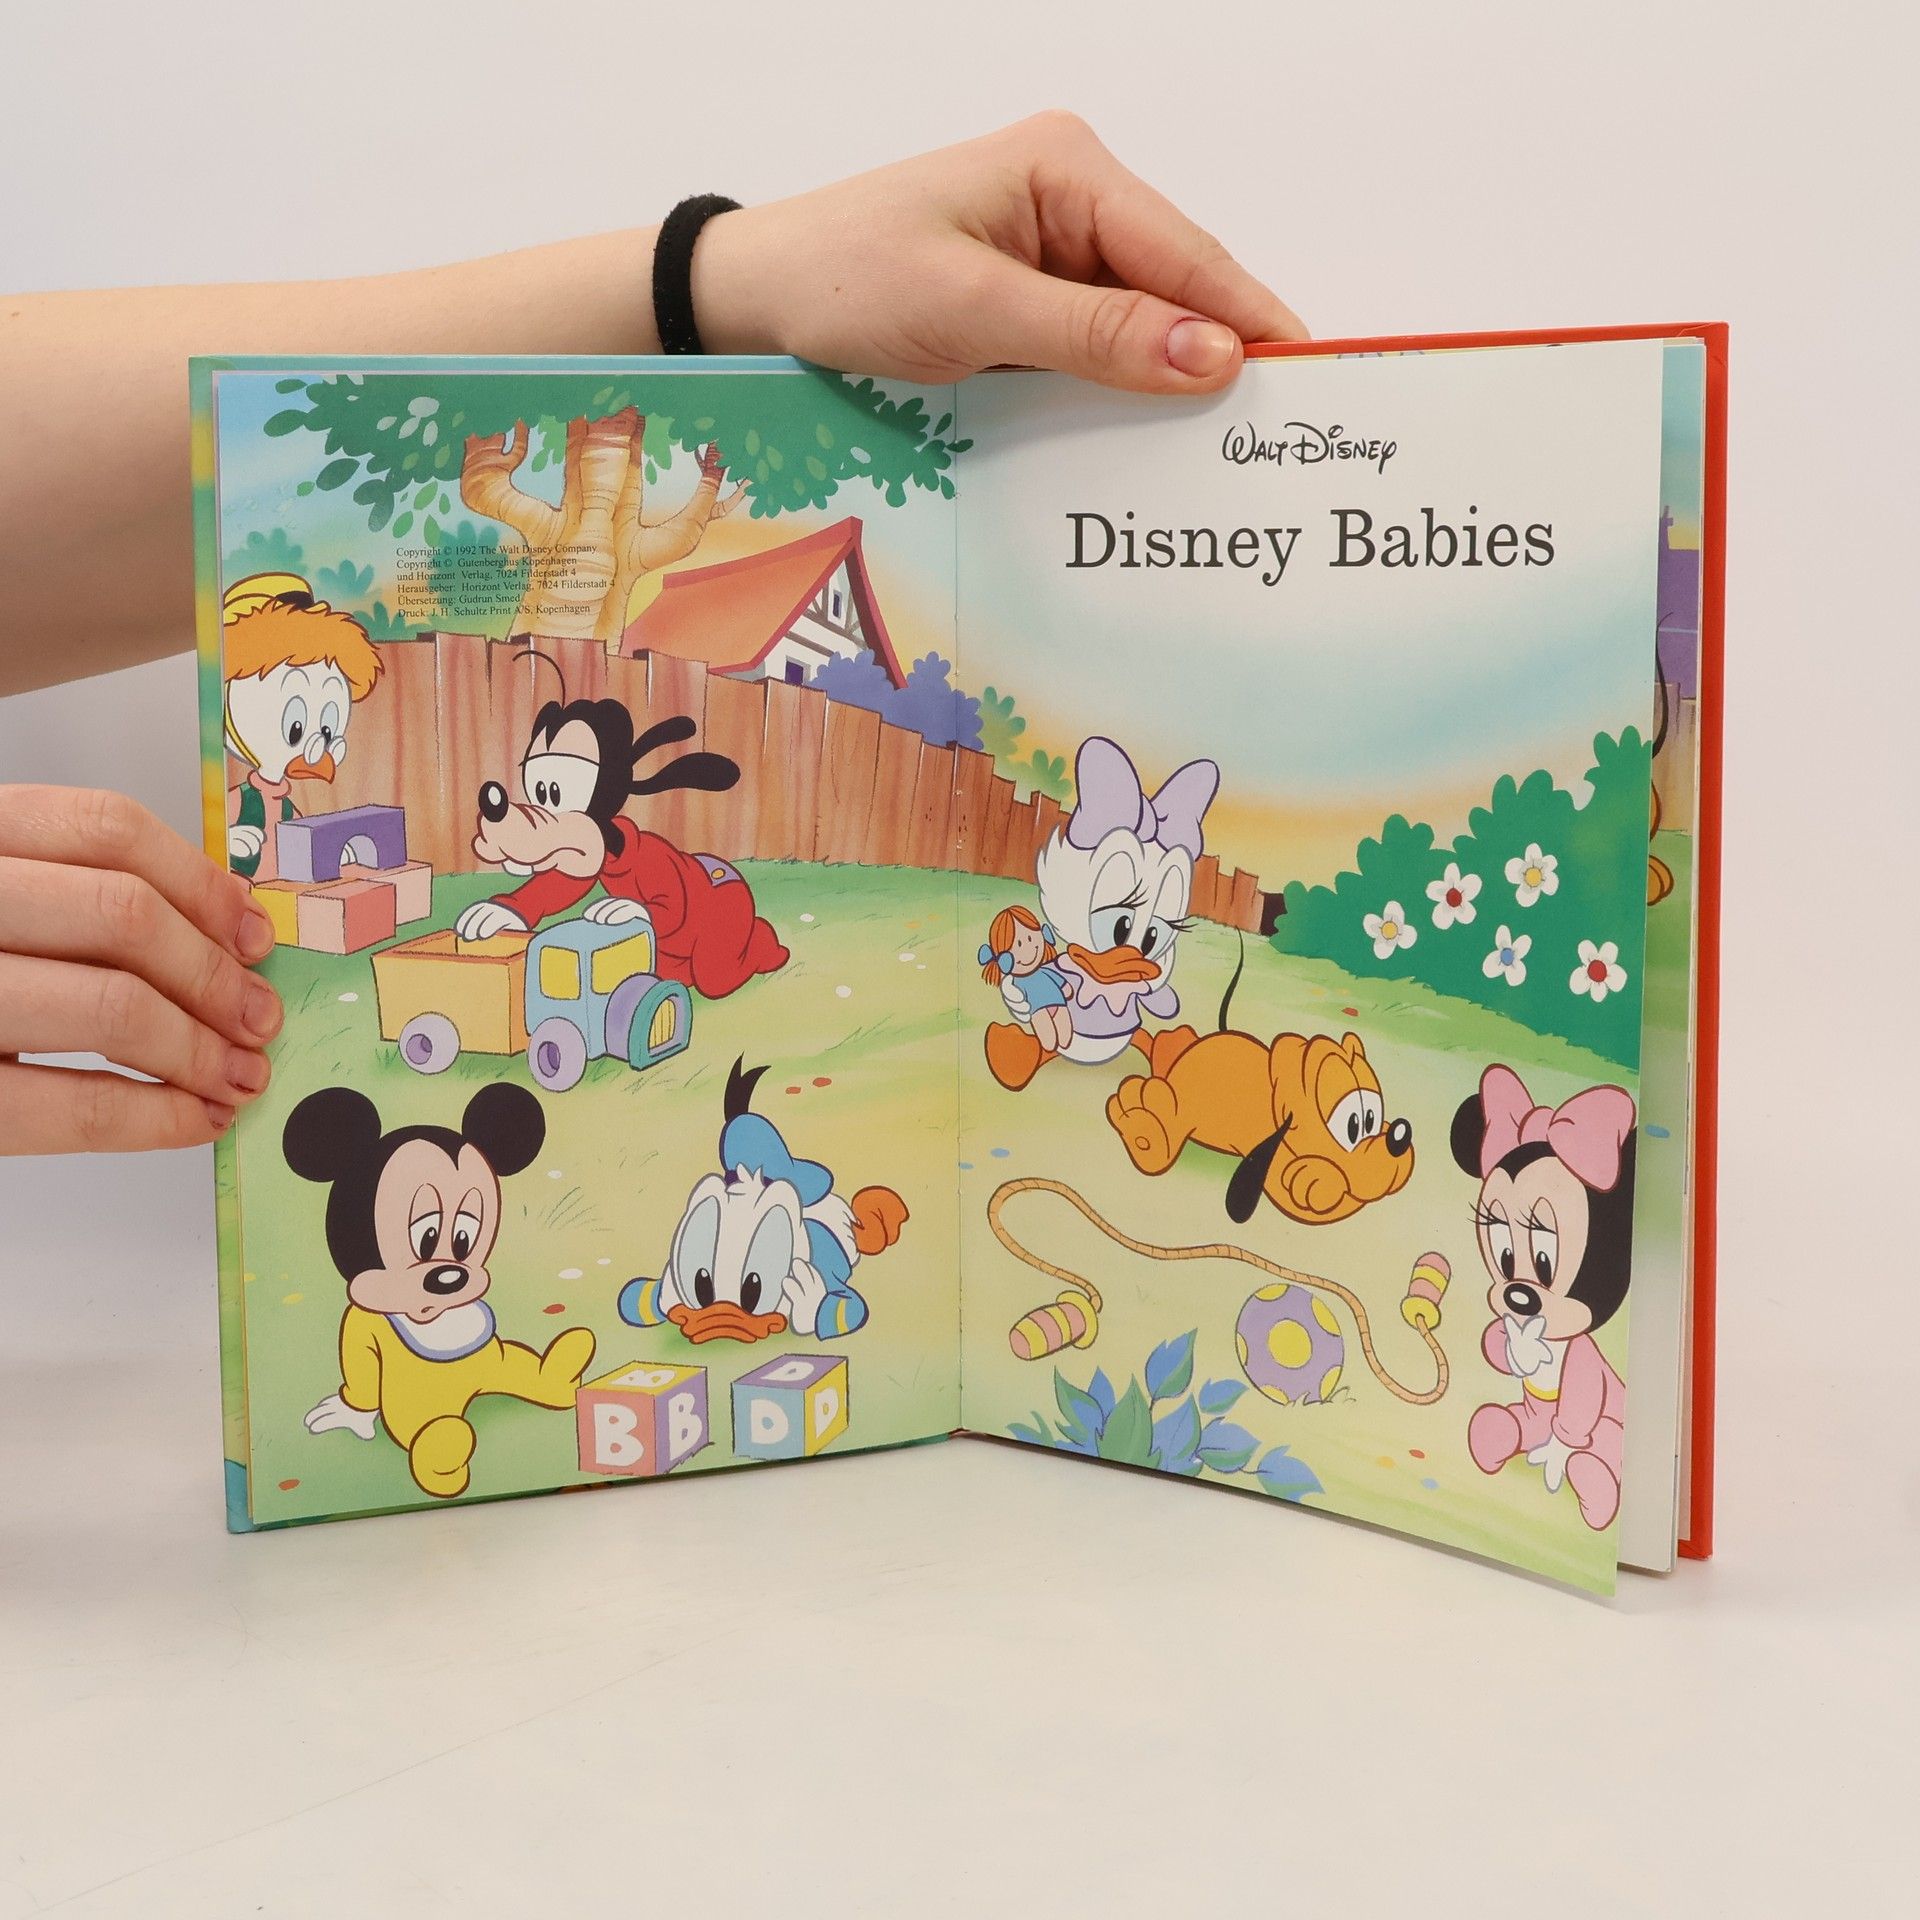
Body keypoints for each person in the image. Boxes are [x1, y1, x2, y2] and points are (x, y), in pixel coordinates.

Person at [0, 112, 1305, 1156]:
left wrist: (712, 286)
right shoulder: (562, 738)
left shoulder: (617, 712)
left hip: (647, 931)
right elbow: (538, 868)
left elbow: (556, 868)